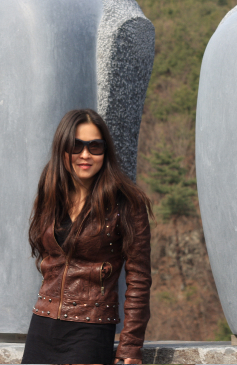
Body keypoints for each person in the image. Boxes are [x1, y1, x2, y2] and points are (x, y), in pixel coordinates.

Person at [21, 109, 153, 364]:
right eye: (76, 146)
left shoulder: (126, 202)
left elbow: (139, 279)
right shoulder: (50, 192)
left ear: (105, 151)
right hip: (44, 322)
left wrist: (130, 345)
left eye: (95, 146)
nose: (85, 154)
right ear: (63, 149)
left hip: (91, 325)